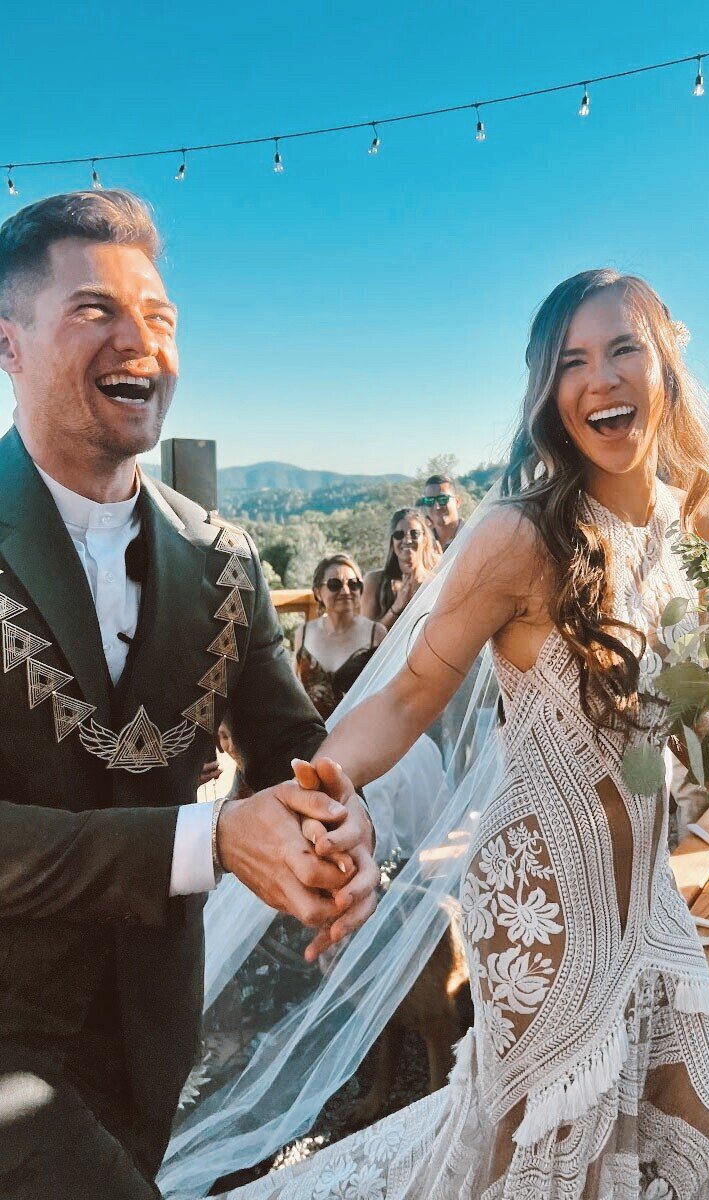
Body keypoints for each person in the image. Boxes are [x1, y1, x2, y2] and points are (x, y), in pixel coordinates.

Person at [225, 269, 709, 1200]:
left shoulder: (692, 521)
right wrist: (317, 787)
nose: (601, 379)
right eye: (571, 361)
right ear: (548, 393)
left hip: (648, 896)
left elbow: (703, 698)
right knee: (543, 1161)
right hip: (541, 900)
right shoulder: (520, 537)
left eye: (623, 348)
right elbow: (411, 690)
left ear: (665, 362)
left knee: (693, 1123)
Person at [0, 190, 378, 1199]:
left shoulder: (223, 559)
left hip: (154, 1029)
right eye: (95, 310)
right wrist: (211, 840)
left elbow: (295, 743)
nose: (140, 343)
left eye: (159, 318)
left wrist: (340, 821)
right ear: (8, 345)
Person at [294, 554, 386, 720]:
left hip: (359, 733)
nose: (346, 591)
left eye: (353, 584)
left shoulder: (376, 634)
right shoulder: (304, 633)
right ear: (318, 592)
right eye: (335, 585)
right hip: (312, 733)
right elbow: (296, 691)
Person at [361, 507, 441, 631]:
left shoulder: (436, 584)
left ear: (425, 539)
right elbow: (366, 639)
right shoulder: (374, 582)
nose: (407, 540)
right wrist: (396, 607)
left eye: (414, 534)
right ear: (392, 541)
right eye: (399, 535)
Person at [417, 473, 466, 550]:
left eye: (442, 499)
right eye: (430, 501)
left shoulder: (473, 536)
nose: (437, 507)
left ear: (457, 501)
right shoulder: (421, 544)